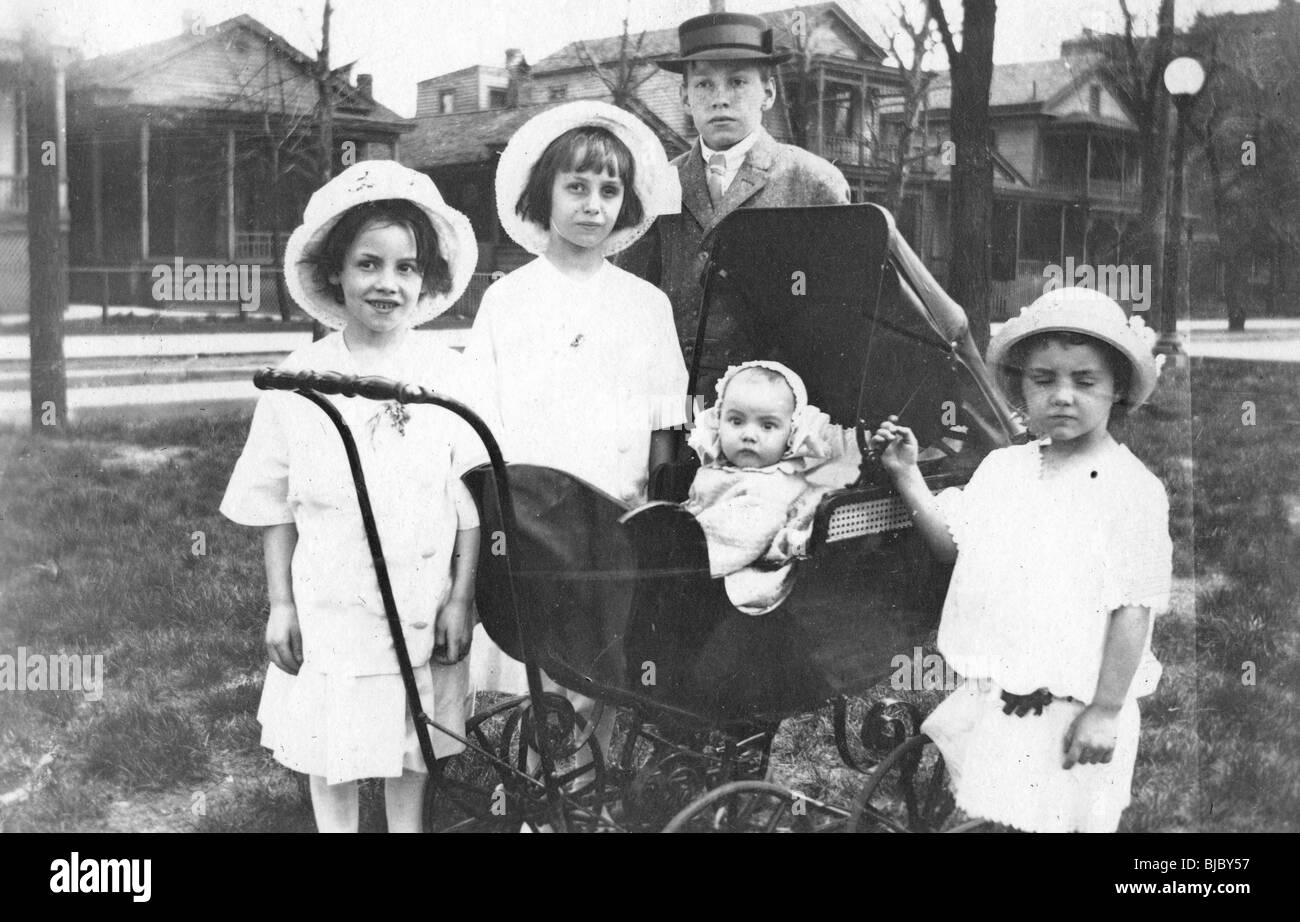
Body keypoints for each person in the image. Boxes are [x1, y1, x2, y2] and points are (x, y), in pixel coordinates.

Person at [221, 160, 483, 833]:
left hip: (422, 593)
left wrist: (462, 597)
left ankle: (407, 827)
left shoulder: (447, 375)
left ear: (427, 280)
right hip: (332, 595)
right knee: (329, 736)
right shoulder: (298, 380)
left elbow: (471, 501)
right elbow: (274, 503)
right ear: (337, 271)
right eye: (369, 264)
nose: (387, 284)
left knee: (410, 732)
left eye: (406, 268)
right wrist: (281, 604)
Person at [868, 287, 1172, 832]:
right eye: (1043, 379)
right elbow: (951, 546)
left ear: (1116, 390)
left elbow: (1134, 607)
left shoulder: (1131, 490)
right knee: (1002, 818)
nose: (1062, 396)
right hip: (1005, 701)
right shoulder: (1004, 470)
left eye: (1084, 381)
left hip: (1073, 706)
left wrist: (1104, 710)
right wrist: (907, 475)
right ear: (1020, 387)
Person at [462, 101, 688, 776]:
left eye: (609, 191)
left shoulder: (645, 304)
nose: (593, 206)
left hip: (616, 512)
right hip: (535, 514)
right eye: (577, 187)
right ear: (545, 195)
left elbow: (668, 412)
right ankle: (547, 793)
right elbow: (480, 413)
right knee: (548, 669)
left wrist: (664, 494)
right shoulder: (510, 300)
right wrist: (501, 501)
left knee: (607, 661)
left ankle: (584, 791)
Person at [621, 11, 851, 392]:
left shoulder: (812, 182)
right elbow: (633, 301)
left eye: (738, 82)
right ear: (684, 97)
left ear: (769, 93)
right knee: (671, 456)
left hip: (772, 410)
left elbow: (840, 318)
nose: (720, 99)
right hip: (676, 397)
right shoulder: (660, 182)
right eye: (704, 85)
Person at [684, 360, 846, 614]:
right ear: (718, 419)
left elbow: (737, 535)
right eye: (736, 421)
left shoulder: (772, 486)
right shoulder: (721, 467)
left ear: (791, 433)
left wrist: (679, 544)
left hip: (746, 582)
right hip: (712, 559)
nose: (749, 435)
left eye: (767, 426)